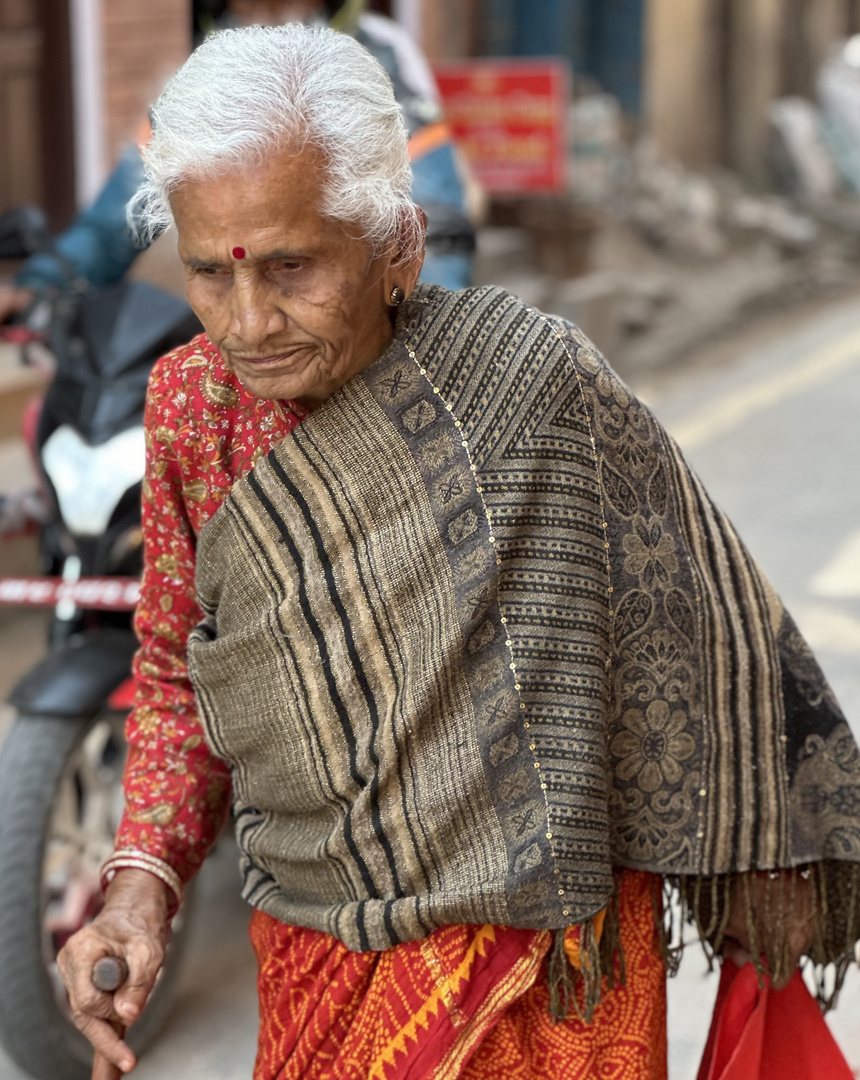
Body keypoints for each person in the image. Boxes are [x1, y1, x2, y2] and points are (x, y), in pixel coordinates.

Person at [57, 24, 860, 1080]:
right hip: (317, 946)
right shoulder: (190, 409)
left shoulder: (534, 385)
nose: (248, 321)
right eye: (209, 275)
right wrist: (137, 888)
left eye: (290, 267)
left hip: (551, 961)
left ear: (398, 243)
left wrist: (768, 839)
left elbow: (689, 618)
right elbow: (172, 668)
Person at [0, 0, 474, 324]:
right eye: (247, 7)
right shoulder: (206, 78)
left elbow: (435, 234)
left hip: (348, 349)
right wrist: (42, 284)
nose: (259, 15)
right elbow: (119, 217)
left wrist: (417, 329)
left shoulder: (378, 63)